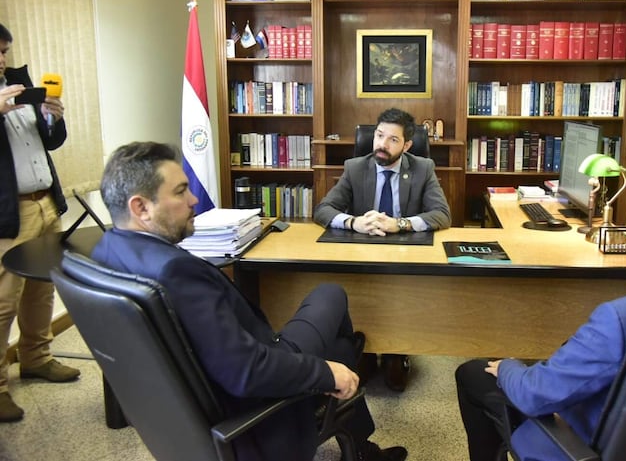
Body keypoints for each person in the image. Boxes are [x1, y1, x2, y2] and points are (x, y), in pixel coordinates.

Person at [92, 142, 407, 461]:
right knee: (333, 305)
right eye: (181, 191)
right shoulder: (174, 272)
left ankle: (355, 403)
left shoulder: (108, 249)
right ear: (140, 207)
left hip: (199, 404)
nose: (194, 199)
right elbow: (245, 372)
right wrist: (326, 374)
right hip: (256, 408)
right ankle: (360, 424)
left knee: (339, 343)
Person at [455, 160, 626, 461]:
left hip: (587, 447)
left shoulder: (621, 319)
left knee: (474, 373)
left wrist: (509, 365)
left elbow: (534, 395)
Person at [314, 108, 451, 391]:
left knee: (398, 298)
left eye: (392, 140)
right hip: (363, 251)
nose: (382, 144)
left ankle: (395, 352)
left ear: (407, 145)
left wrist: (399, 224)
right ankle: (365, 346)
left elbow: (442, 214)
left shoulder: (423, 168)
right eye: (378, 136)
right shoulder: (355, 167)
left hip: (406, 255)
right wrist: (354, 222)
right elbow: (323, 209)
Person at [0, 23, 80, 423]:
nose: (2, 59)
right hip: (8, 213)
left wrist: (52, 118)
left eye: (5, 51)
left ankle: (36, 357)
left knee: (42, 288)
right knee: (2, 301)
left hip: (45, 201)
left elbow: (48, 142)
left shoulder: (18, 85)